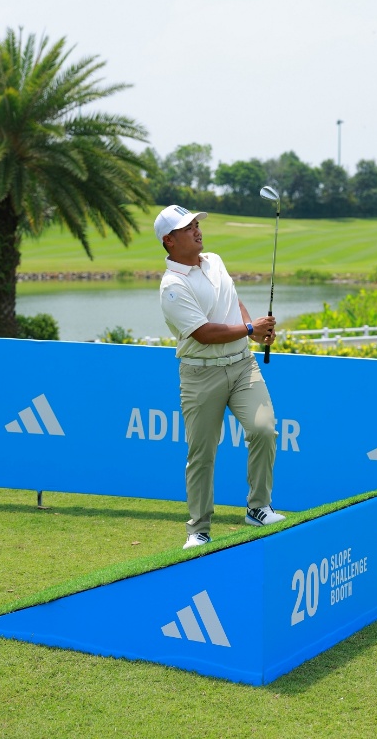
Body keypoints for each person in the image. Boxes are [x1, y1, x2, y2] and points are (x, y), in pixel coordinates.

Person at [155, 204, 285, 550]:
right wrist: (249, 328)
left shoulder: (214, 261)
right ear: (169, 241)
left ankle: (258, 507)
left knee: (263, 429)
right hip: (200, 374)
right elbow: (205, 333)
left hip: (243, 365)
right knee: (202, 453)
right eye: (187, 228)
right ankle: (198, 529)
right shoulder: (172, 286)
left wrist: (254, 331)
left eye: (196, 225)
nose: (197, 230)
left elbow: (233, 302)